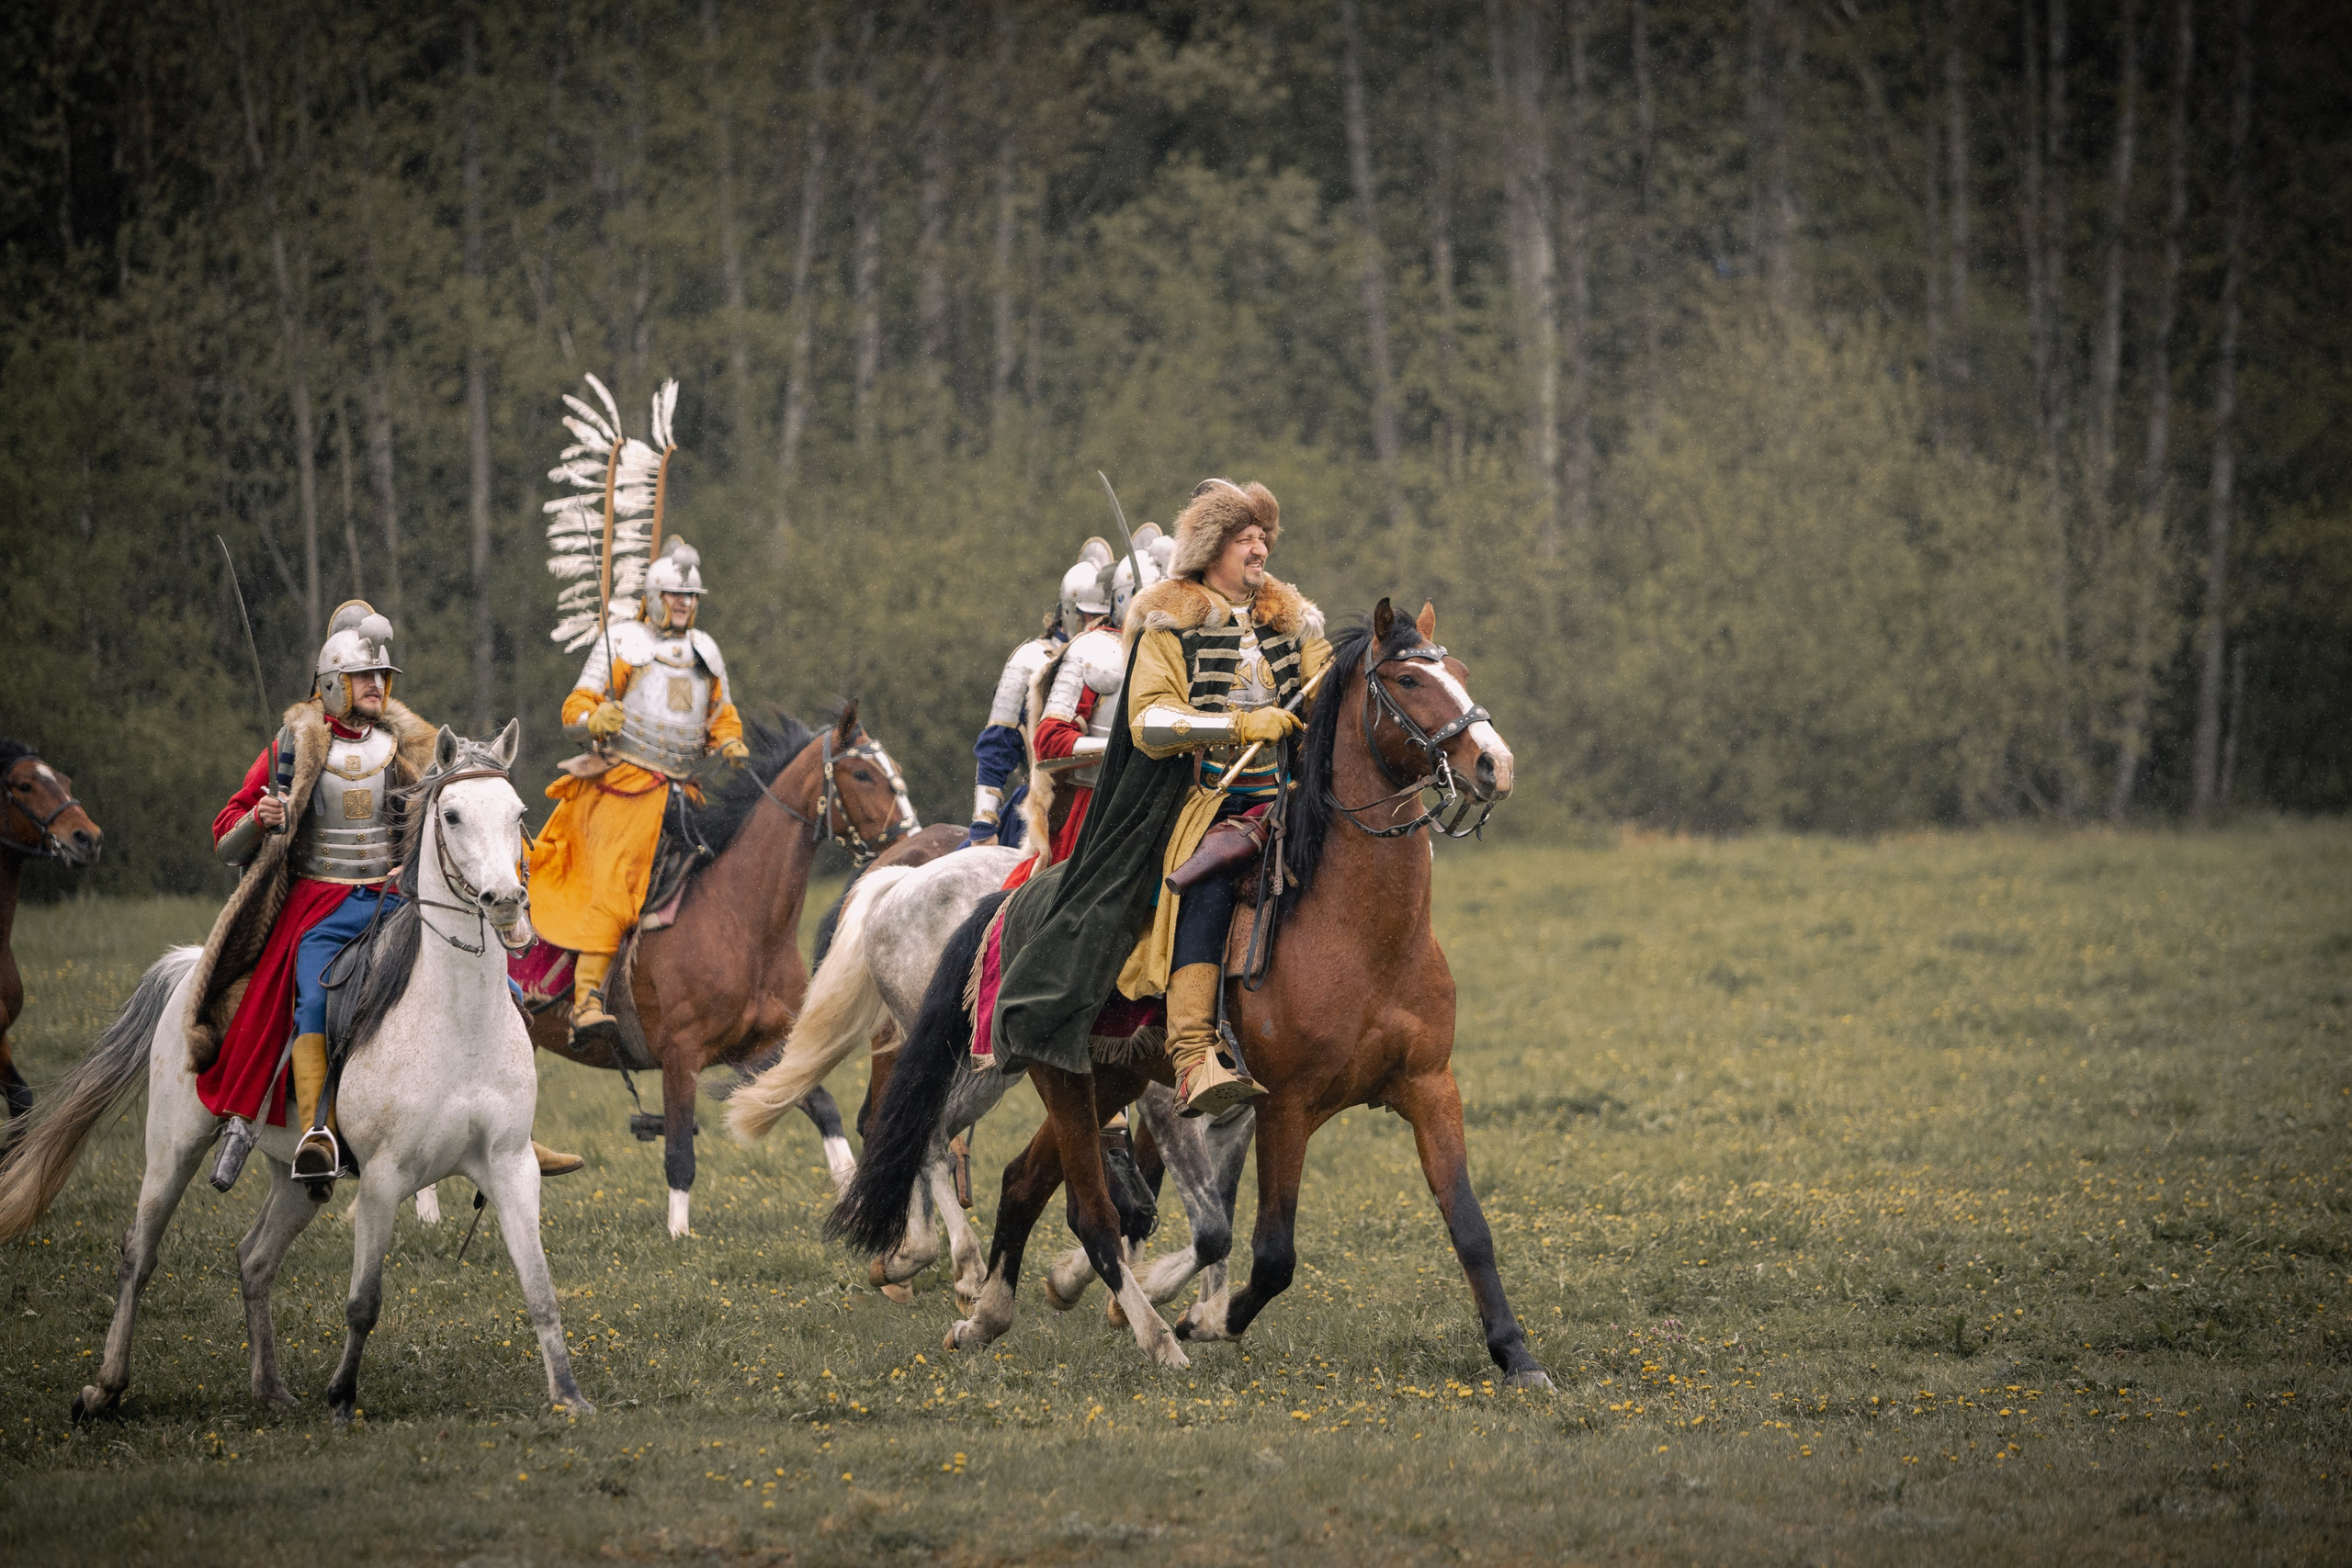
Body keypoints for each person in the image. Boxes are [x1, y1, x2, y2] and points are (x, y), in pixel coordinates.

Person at [198, 603, 580, 1187]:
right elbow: (227, 833)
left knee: (497, 983)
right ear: (332, 684)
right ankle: (316, 1133)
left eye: (382, 677)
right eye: (363, 678)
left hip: (393, 897)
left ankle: (513, 1136)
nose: (377, 686)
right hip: (318, 904)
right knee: (316, 1001)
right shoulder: (294, 747)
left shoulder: (401, 750)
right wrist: (261, 814)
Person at [991, 479, 1329, 1118]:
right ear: (1210, 548)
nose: (1260, 550)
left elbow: (1322, 692)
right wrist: (1237, 725)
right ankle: (1194, 1050)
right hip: (1204, 800)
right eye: (1245, 538)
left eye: (1264, 537)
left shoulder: (1291, 617)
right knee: (1207, 872)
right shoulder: (1168, 619)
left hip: (1288, 794)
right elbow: (1147, 722)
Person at [526, 537, 746, 1049]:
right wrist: (593, 717)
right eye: (675, 595)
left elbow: (720, 711)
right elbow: (575, 706)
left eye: (691, 597)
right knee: (616, 880)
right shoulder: (623, 642)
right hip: (622, 786)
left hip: (683, 792)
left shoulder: (705, 651)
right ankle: (585, 1000)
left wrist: (730, 740)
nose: (685, 604)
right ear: (653, 596)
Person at [964, 540, 1109, 848]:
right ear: (1069, 611)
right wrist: (984, 823)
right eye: (1088, 615)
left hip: (1104, 802)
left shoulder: (1114, 655)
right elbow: (996, 746)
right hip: (1041, 806)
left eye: (1103, 615)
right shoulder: (1030, 660)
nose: (1095, 624)